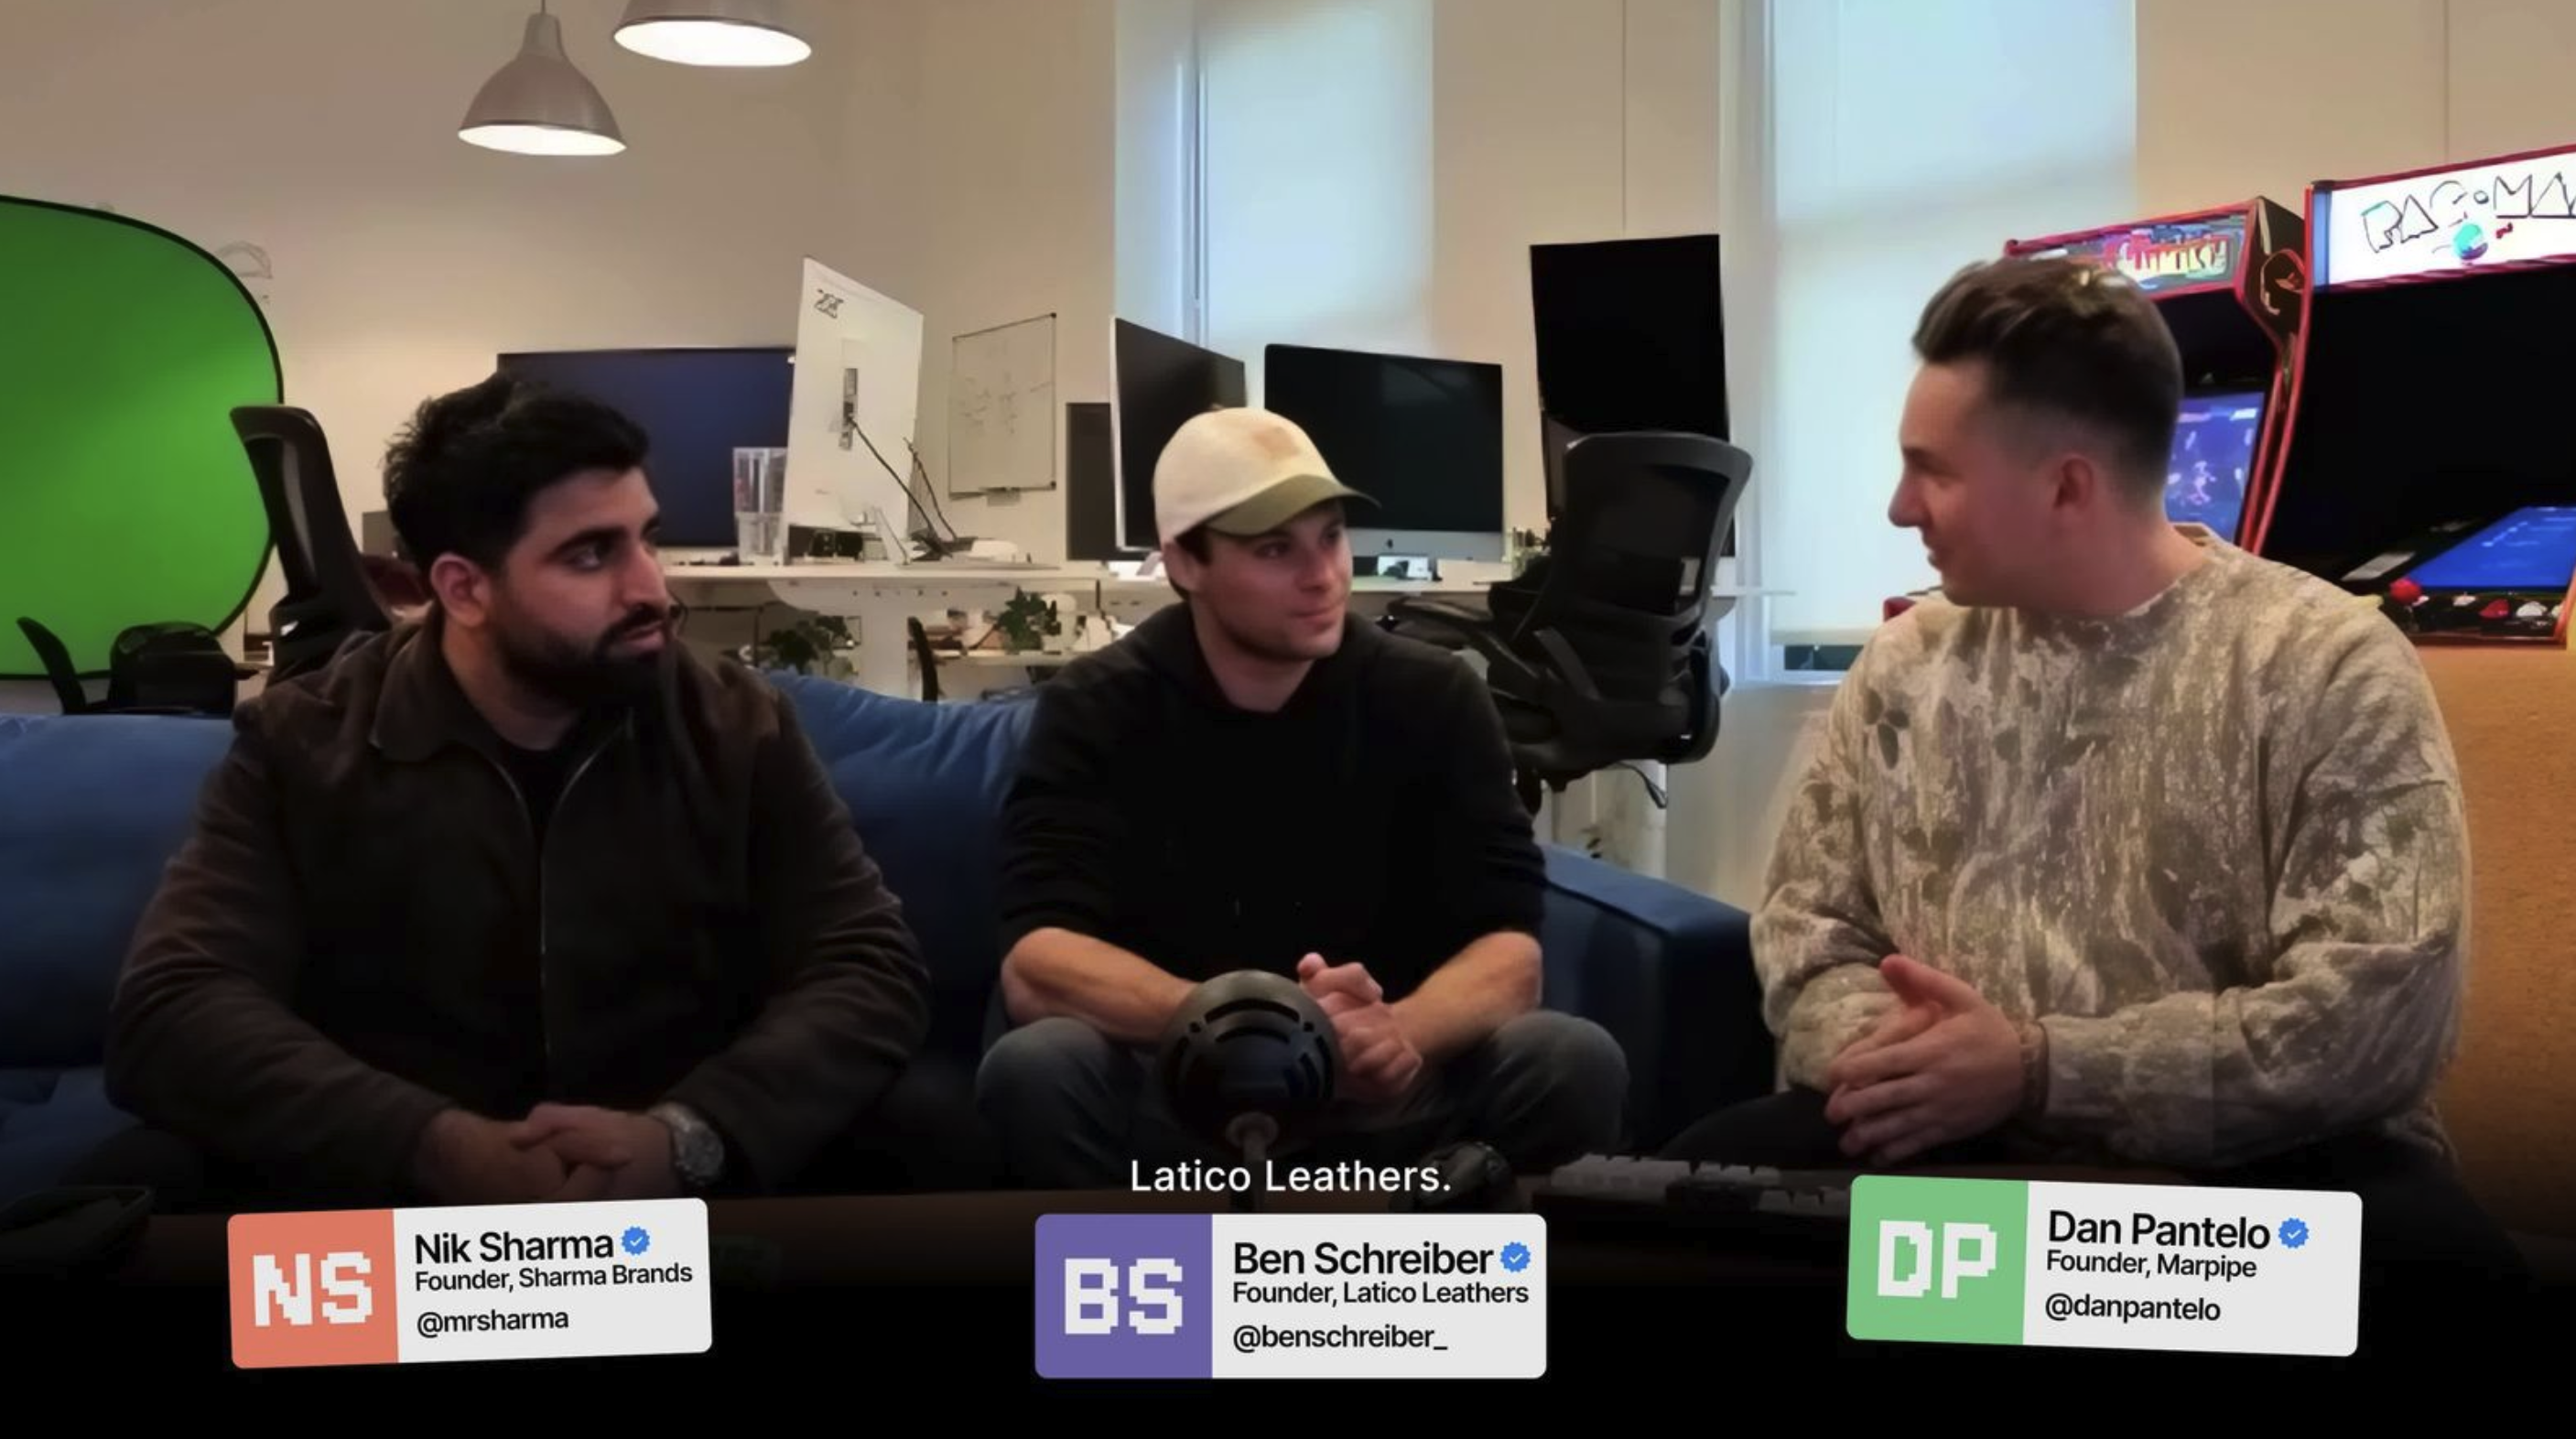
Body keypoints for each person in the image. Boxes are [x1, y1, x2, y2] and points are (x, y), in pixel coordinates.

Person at [1661, 254, 2526, 1351]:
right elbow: (1809, 933)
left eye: (1934, 471)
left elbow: (2370, 1024)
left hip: (2256, 1187)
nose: (1897, 507)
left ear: (2068, 485)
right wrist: (1916, 1071)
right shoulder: (1906, 665)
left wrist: (2034, 1069)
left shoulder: (2325, 663)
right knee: (1664, 1216)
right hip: (1943, 1151)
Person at [86, 373, 932, 1211]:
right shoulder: (305, 743)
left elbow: (865, 963)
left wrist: (690, 1135)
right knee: (130, 1186)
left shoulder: (735, 724)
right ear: (463, 589)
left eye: (647, 539)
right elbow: (174, 1007)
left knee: (931, 1142)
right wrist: (434, 1147)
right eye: (591, 554)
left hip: (663, 1177)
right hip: (399, 1189)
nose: (653, 591)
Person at [976, 406, 1627, 1189]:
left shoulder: (1435, 697)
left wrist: (1399, 1032)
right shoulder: (1098, 706)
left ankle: (1434, 1306)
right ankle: (1154, 1306)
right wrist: (1261, 1033)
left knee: (1569, 1060)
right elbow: (1038, 965)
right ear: (1184, 562)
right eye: (1274, 549)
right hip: (1179, 1092)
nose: (1321, 576)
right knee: (1039, 1068)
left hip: (1379, 1090)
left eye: (1330, 537)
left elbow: (1510, 954)